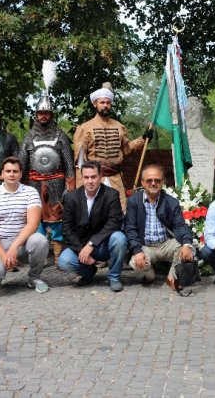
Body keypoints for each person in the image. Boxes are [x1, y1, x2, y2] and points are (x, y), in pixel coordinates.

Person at [73, 83, 149, 211]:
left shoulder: (119, 126)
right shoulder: (85, 128)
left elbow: (126, 149)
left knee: (120, 212)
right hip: (95, 179)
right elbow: (80, 162)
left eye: (108, 103)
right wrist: (81, 188)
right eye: (102, 102)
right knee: (94, 212)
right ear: (95, 104)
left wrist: (143, 139)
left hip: (115, 178)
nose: (105, 105)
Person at [0, 157, 49, 293]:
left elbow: (33, 224)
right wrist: (4, 257)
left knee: (40, 240)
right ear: (2, 174)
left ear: (21, 174)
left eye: (15, 171)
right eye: (8, 171)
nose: (12, 174)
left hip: (22, 242)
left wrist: (14, 246)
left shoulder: (30, 192)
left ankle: (34, 277)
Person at [57, 161, 128, 292]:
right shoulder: (71, 198)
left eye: (93, 177)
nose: (90, 181)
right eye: (86, 177)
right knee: (64, 261)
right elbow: (67, 228)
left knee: (119, 238)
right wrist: (80, 250)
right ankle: (88, 272)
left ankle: (114, 277)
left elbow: (114, 223)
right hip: (81, 245)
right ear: (82, 177)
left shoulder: (111, 195)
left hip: (104, 244)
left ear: (100, 176)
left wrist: (91, 244)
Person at [19, 95, 75, 260]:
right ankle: (39, 255)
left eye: (46, 113)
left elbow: (69, 166)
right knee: (36, 221)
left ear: (51, 115)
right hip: (34, 184)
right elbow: (21, 164)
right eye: (40, 113)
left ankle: (58, 255)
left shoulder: (60, 136)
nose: (43, 116)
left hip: (56, 182)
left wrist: (69, 187)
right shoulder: (29, 137)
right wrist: (20, 188)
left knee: (57, 219)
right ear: (36, 115)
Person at [124, 164, 194, 287]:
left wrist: (187, 244)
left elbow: (180, 226)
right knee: (136, 262)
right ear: (142, 182)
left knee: (185, 248)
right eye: (149, 180)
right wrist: (136, 250)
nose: (153, 183)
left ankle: (171, 278)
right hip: (145, 246)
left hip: (166, 244)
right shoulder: (134, 201)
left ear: (162, 182)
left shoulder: (171, 202)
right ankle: (150, 276)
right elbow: (130, 228)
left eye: (157, 180)